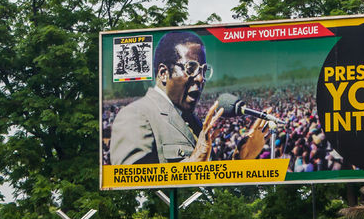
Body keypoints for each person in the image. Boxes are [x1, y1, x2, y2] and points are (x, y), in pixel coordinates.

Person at [110, 31, 267, 164]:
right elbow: (132, 184)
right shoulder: (136, 115)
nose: (200, 78)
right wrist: (195, 162)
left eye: (204, 71)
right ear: (163, 73)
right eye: (191, 68)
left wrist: (240, 161)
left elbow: (206, 184)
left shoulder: (193, 121)